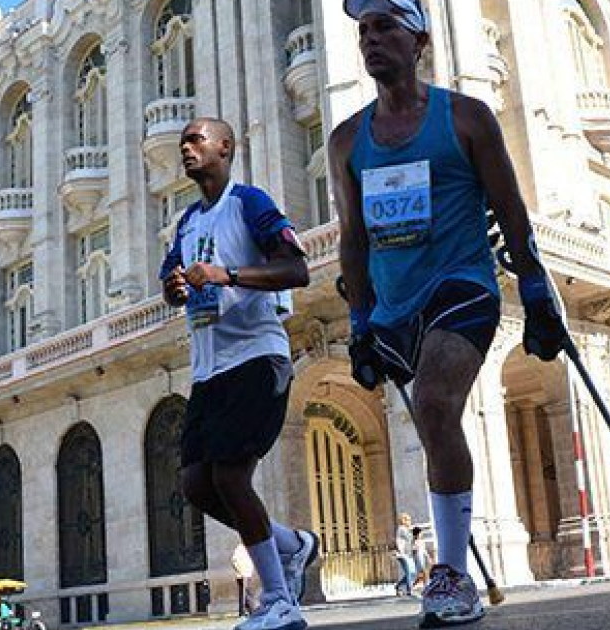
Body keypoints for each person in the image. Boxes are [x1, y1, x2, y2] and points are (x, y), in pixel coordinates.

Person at [331, 0, 567, 625]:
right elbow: (351, 238)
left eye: (385, 26)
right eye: (363, 31)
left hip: (462, 286)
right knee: (432, 425)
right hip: (391, 305)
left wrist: (537, 290)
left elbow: (510, 208)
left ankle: (452, 574)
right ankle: (452, 560)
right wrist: (359, 324)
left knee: (436, 403)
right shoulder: (347, 139)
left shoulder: (466, 117)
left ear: (420, 38)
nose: (371, 40)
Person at [159, 117, 318, 630]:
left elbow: (296, 268)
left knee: (230, 474)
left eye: (196, 139)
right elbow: (170, 279)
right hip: (208, 368)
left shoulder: (249, 202)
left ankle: (278, 600)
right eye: (183, 142)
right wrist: (176, 288)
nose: (186, 147)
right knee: (196, 485)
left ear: (225, 147)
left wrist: (227, 274)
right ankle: (292, 545)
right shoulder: (186, 222)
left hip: (257, 355)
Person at [233, 543, 263, 616]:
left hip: (246, 573)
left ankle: (247, 610)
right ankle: (245, 610)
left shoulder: (246, 548)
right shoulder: (241, 548)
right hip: (243, 574)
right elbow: (234, 560)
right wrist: (241, 571)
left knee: (246, 592)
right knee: (245, 593)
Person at [394, 513, 416, 597]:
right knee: (409, 572)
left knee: (412, 572)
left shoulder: (406, 529)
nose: (409, 521)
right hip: (403, 555)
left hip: (408, 554)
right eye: (408, 520)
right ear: (403, 521)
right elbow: (410, 538)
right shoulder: (402, 529)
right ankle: (409, 590)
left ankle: (399, 586)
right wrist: (414, 531)